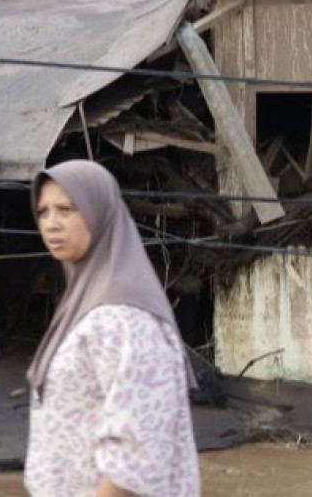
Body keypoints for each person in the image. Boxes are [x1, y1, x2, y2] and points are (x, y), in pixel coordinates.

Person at [25, 160, 199, 497]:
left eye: (66, 209)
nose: (52, 223)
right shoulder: (85, 304)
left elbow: (134, 461)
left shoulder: (123, 317)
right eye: (44, 211)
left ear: (99, 213)